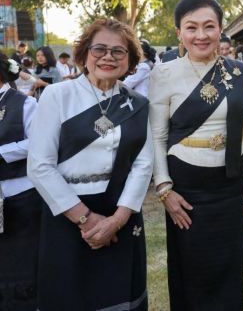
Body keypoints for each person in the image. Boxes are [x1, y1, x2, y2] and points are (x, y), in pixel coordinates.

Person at [27, 19, 153, 310]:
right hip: (67, 212)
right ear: (84, 54)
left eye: (118, 51)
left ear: (130, 60)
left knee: (119, 296)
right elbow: (40, 165)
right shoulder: (57, 96)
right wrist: (87, 219)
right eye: (99, 49)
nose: (108, 57)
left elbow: (143, 164)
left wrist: (116, 220)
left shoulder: (137, 104)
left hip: (121, 214)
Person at [149, 0, 243, 310]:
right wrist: (164, 188)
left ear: (220, 29)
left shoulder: (240, 72)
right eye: (191, 27)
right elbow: (157, 136)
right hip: (186, 188)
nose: (201, 35)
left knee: (228, 269)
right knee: (191, 272)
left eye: (209, 26)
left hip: (230, 185)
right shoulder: (164, 73)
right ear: (179, 32)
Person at [0, 53, 39, 311]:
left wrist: (3, 152)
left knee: (19, 261)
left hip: (19, 195)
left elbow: (38, 141)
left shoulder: (24, 103)